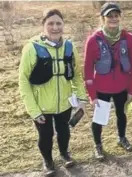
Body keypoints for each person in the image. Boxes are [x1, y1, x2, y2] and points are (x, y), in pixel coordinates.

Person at [18, 8, 87, 176]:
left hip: (64, 103)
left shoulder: (69, 47)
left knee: (64, 131)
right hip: (41, 106)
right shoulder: (32, 48)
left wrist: (81, 97)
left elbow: (76, 74)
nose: (55, 27)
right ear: (43, 25)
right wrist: (33, 111)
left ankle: (64, 153)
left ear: (63, 25)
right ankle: (48, 160)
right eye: (50, 23)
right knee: (45, 135)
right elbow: (23, 81)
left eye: (58, 23)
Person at [83, 2, 132, 161]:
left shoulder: (128, 38)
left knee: (122, 114)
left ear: (120, 17)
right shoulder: (93, 40)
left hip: (122, 87)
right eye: (109, 16)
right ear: (102, 18)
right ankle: (98, 145)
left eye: (116, 15)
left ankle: (122, 138)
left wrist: (131, 90)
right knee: (99, 118)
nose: (113, 19)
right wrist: (92, 95)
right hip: (102, 88)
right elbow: (87, 70)